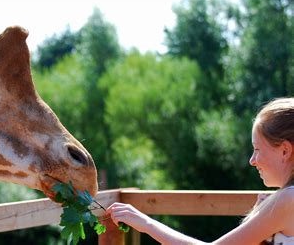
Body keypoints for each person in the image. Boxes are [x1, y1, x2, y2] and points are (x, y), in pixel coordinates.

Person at [106, 98, 294, 244]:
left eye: (257, 149)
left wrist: (146, 224)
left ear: (285, 151)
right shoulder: (283, 200)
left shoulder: (287, 200)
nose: (252, 160)